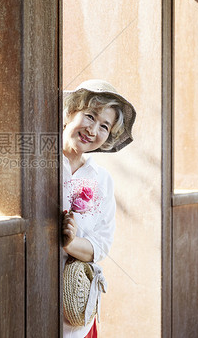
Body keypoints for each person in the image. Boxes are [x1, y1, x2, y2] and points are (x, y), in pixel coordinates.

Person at [62, 79, 136, 338]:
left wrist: (70, 243)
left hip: (76, 316)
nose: (93, 130)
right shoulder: (40, 164)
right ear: (70, 113)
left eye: (104, 126)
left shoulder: (101, 179)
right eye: (90, 116)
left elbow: (102, 244)